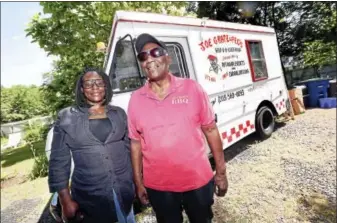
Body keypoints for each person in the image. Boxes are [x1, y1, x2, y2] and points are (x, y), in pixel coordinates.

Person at [127, 33, 229, 223]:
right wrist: (138, 183)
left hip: (197, 181)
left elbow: (211, 130)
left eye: (155, 52)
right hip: (159, 188)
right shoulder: (135, 99)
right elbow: (135, 143)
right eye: (143, 56)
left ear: (168, 58)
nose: (149, 59)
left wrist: (221, 172)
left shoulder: (192, 88)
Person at [48, 68, 136, 223]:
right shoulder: (66, 117)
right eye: (88, 84)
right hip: (91, 198)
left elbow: (130, 150)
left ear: (106, 86)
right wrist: (65, 200)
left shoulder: (119, 113)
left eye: (99, 83)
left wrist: (138, 183)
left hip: (124, 192)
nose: (94, 87)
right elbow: (58, 161)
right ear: (81, 89)